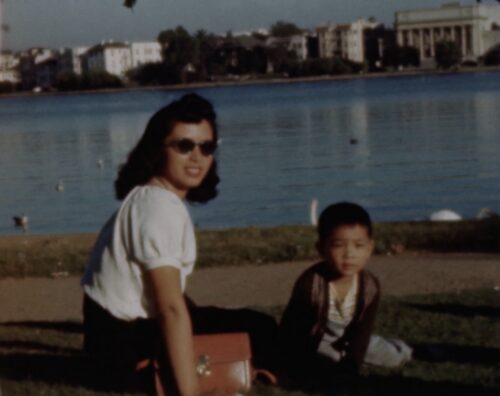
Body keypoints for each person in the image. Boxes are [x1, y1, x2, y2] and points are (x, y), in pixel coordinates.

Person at [81, 93, 277, 395]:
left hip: (109, 340)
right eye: (184, 146)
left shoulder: (150, 196)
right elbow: (170, 308)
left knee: (241, 322)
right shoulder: (159, 208)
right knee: (260, 327)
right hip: (123, 351)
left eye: (206, 147)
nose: (197, 157)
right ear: (158, 150)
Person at [278, 202, 412, 386]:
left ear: (369, 249)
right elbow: (295, 331)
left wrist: (352, 366)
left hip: (347, 339)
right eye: (338, 245)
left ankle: (407, 349)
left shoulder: (370, 286)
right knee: (326, 360)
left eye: (358, 245)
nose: (349, 254)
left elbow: (362, 330)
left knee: (389, 356)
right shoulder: (311, 284)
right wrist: (296, 368)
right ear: (321, 248)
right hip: (315, 340)